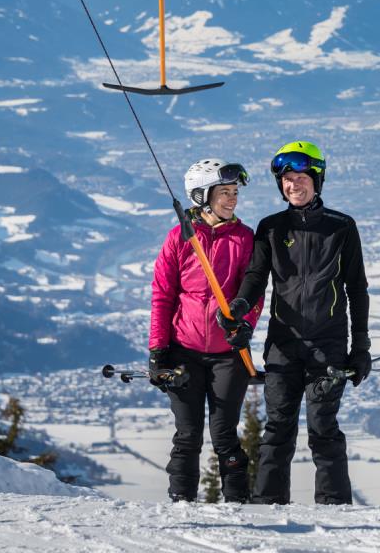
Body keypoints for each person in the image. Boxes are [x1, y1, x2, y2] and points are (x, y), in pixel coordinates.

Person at [222, 140, 370, 505]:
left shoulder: (341, 227)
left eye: (300, 177)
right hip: (283, 345)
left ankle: (335, 510)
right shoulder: (270, 228)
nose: (292, 185)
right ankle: (268, 508)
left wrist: (361, 347)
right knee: (277, 430)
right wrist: (240, 306)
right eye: (287, 179)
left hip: (328, 345)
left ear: (317, 180)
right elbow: (256, 277)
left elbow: (357, 288)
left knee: (323, 429)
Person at [147, 158, 263, 503]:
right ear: (201, 196)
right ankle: (180, 503)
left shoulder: (244, 238)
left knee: (224, 434)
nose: (232, 199)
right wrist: (158, 351)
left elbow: (253, 292)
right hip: (185, 352)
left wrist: (245, 326)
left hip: (229, 355)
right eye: (224, 192)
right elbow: (163, 295)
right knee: (188, 434)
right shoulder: (180, 238)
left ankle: (238, 504)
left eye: (234, 192)